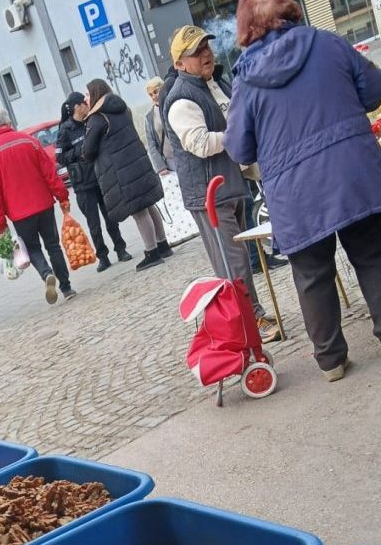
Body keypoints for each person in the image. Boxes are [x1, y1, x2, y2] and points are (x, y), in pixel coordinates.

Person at [225, 0, 381, 381]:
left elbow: (240, 148)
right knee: (373, 252)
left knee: (312, 274)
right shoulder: (328, 43)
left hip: (295, 193)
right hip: (353, 171)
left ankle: (331, 363)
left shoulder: (246, 81)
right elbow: (374, 90)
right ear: (289, 11)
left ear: (246, 28)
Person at [162, 25, 281, 344]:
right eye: (195, 52)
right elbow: (199, 143)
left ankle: (251, 314)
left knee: (240, 256)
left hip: (231, 184)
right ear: (180, 64)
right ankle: (248, 321)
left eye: (206, 48)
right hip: (209, 193)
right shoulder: (181, 98)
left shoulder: (213, 83)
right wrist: (238, 135)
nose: (205, 55)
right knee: (233, 262)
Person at [0, 108, 76, 304]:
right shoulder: (30, 141)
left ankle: (45, 272)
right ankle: (66, 287)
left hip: (19, 213)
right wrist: (62, 196)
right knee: (53, 245)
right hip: (43, 203)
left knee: (32, 248)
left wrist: (0, 224)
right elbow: (49, 173)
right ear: (9, 121)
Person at [81, 79, 172, 272]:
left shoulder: (97, 118)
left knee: (139, 211)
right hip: (137, 162)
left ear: (96, 94)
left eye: (87, 94)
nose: (85, 98)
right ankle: (163, 245)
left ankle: (151, 252)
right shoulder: (122, 108)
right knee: (148, 204)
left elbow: (88, 151)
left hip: (121, 170)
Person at [55, 92, 132, 273]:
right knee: (94, 223)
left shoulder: (91, 121)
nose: (86, 105)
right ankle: (102, 256)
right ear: (76, 107)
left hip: (100, 177)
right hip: (83, 183)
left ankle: (120, 248)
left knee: (111, 216)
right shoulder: (65, 130)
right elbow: (59, 156)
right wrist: (77, 152)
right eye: (84, 102)